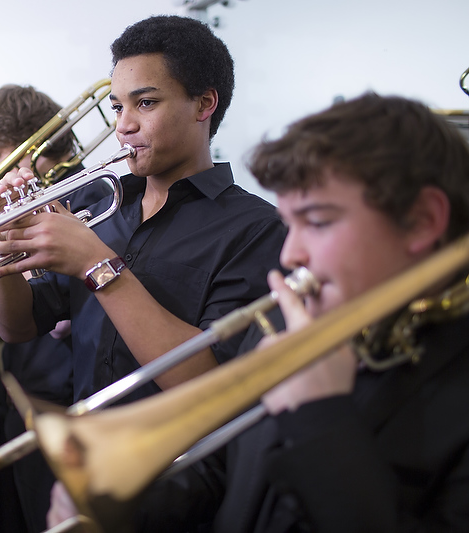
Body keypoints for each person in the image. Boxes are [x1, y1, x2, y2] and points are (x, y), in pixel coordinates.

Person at [91, 92, 469, 532]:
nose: (291, 254)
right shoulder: (295, 322)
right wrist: (118, 505)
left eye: (319, 221)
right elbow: (221, 468)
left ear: (422, 221)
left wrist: (321, 416)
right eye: (291, 225)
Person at [0, 15, 285, 409]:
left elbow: (215, 382)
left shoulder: (257, 229)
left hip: (186, 462)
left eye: (146, 103)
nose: (124, 125)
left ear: (204, 104)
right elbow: (18, 326)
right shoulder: (100, 205)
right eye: (118, 107)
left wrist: (96, 263)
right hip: (92, 444)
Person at [0, 84, 110, 533]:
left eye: (12, 158)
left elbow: (71, 305)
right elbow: (9, 317)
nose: (1, 172)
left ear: (54, 153)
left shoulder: (102, 200)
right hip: (27, 403)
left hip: (86, 408)